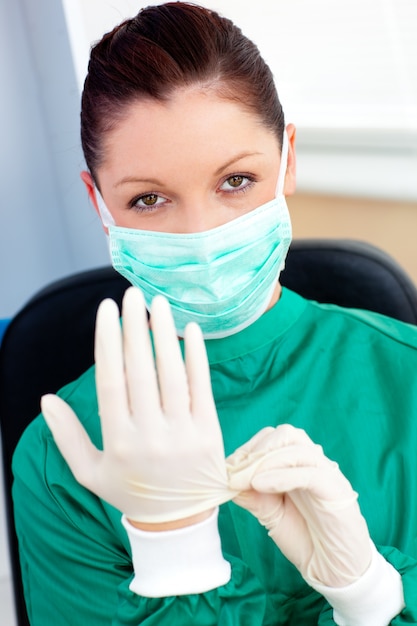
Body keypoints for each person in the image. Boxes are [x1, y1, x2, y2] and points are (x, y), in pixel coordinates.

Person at [12, 3, 417, 624]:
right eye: (148, 199)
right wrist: (173, 545)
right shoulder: (60, 463)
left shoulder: (405, 375)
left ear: (288, 159)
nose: (201, 234)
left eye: (235, 181)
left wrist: (368, 594)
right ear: (99, 202)